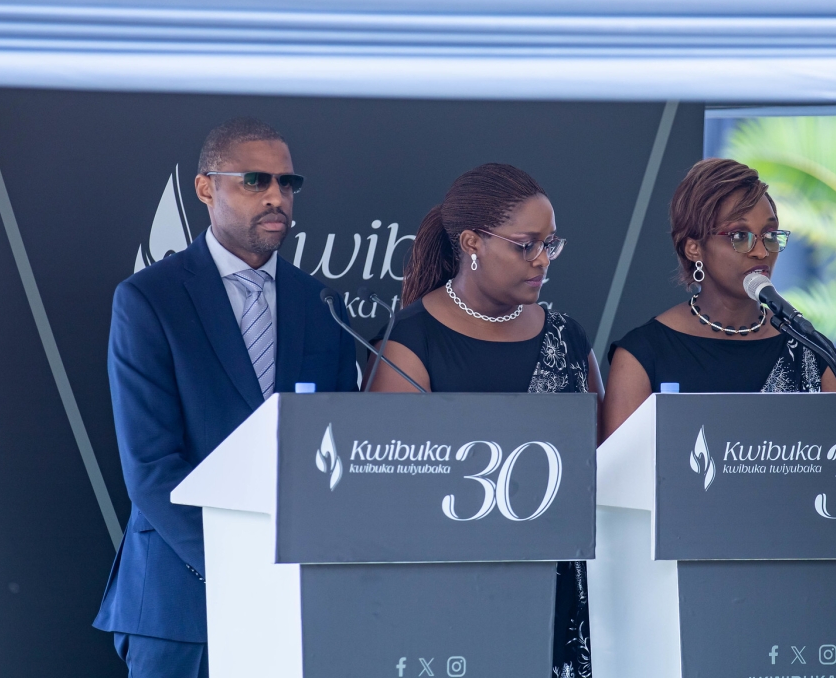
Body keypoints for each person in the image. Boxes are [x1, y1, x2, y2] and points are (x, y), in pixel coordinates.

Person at [93, 117, 358, 677]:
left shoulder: (322, 305)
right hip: (181, 603)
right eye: (255, 181)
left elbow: (337, 448)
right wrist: (242, 568)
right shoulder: (150, 300)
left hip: (295, 601)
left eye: (288, 184)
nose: (277, 198)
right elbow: (151, 467)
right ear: (206, 187)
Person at [367, 163, 603, 678]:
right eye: (526, 245)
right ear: (472, 242)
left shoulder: (567, 338)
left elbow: (602, 462)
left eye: (551, 245)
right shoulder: (410, 342)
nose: (542, 260)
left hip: (558, 590)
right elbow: (397, 492)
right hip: (449, 597)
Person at [603, 157, 836, 438]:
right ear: (693, 247)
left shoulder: (809, 351)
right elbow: (619, 476)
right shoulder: (644, 355)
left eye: (769, 234)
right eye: (740, 236)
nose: (761, 252)